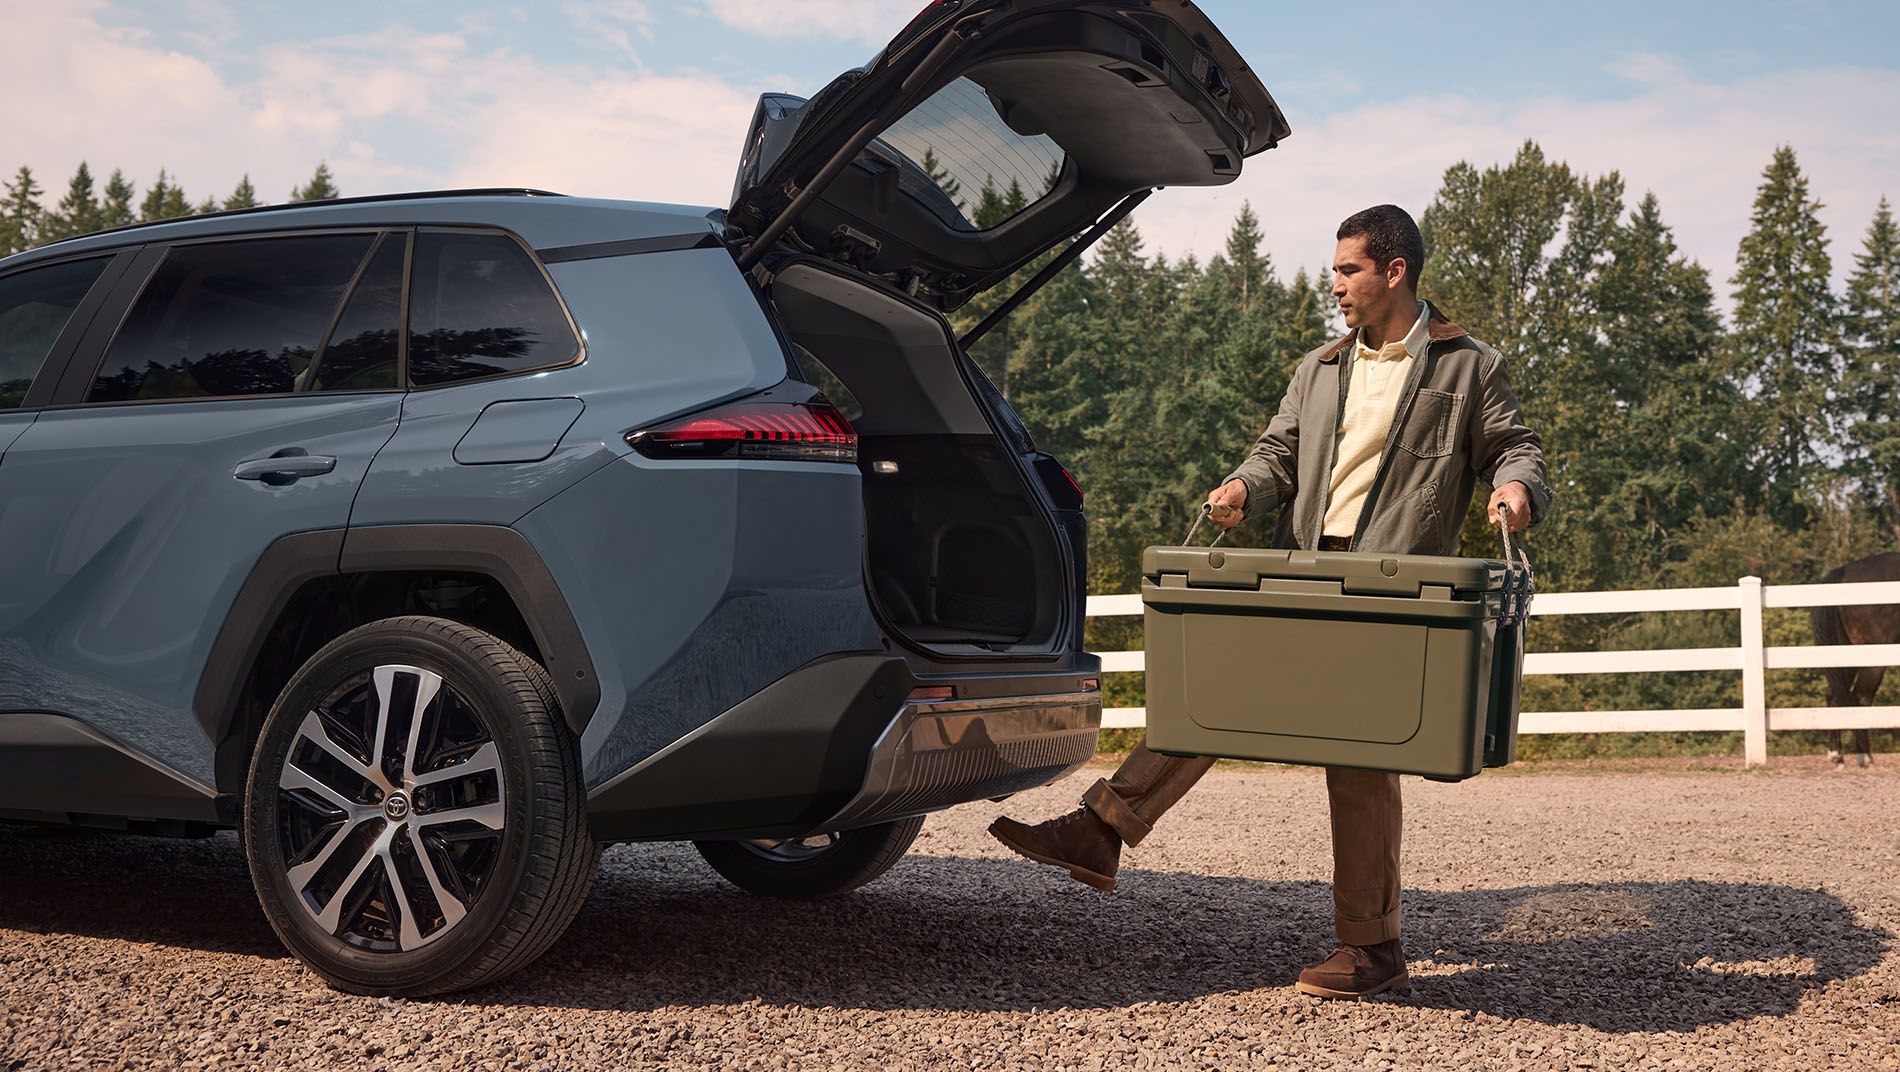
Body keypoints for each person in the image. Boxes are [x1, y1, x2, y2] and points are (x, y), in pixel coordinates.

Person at [989, 204, 1552, 1000]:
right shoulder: (1319, 369)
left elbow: (1513, 446)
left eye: (1350, 270)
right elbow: (1277, 452)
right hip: (1305, 570)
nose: (1337, 285)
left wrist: (1517, 486)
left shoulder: (1467, 366)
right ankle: (1100, 830)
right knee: (1219, 695)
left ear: (1395, 271)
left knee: (1359, 760)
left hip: (1394, 585)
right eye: (1336, 270)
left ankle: (1372, 947)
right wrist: (1241, 488)